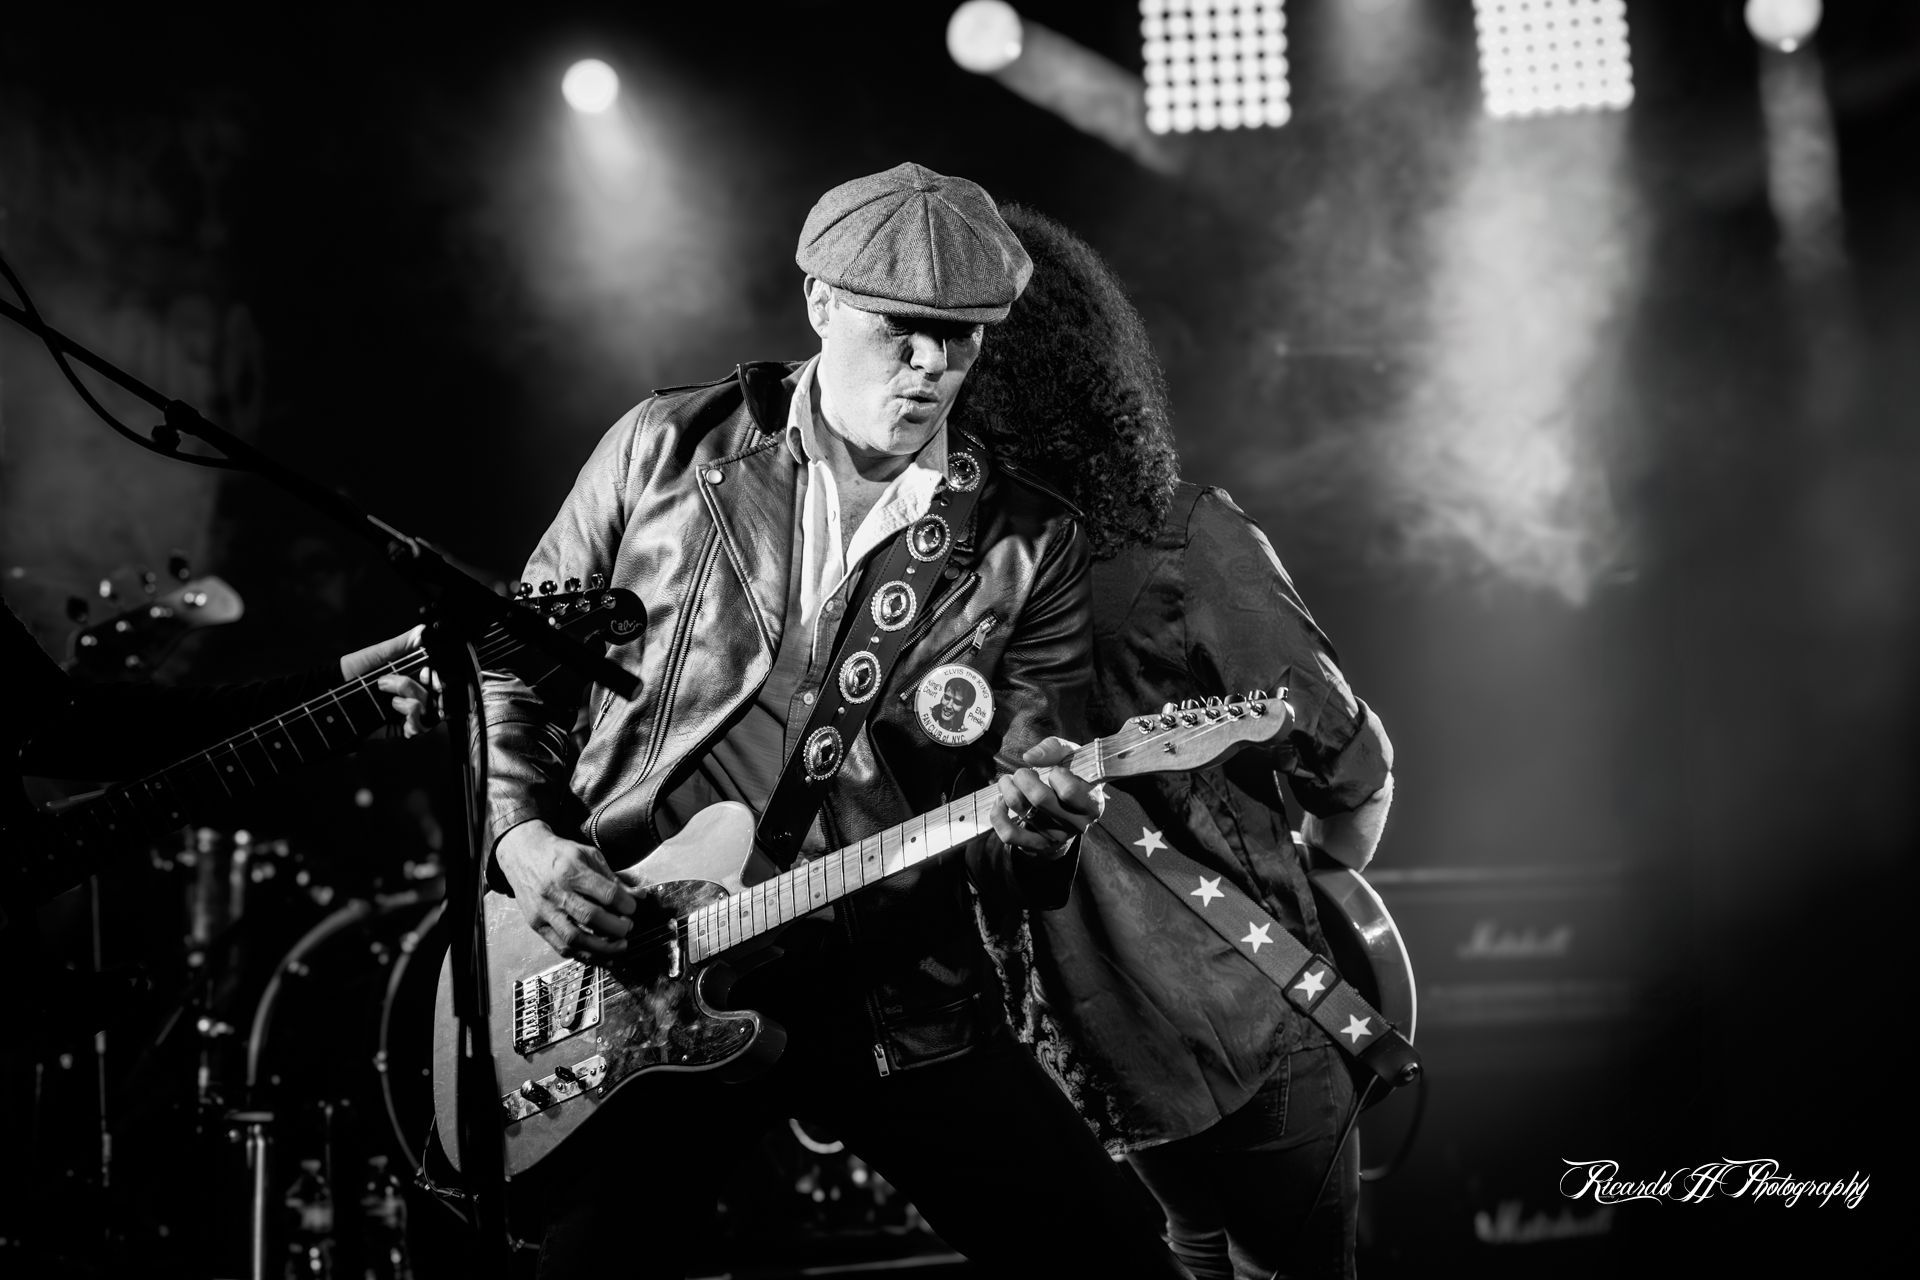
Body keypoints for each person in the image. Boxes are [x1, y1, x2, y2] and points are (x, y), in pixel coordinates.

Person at [480, 162, 1187, 1278]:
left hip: (886, 987)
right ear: (819, 303)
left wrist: (1044, 831)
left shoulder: (1025, 540)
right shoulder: (664, 448)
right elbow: (509, 671)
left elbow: (1017, 819)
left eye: (964, 338)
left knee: (1111, 1259)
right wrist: (524, 842)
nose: (932, 367)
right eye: (902, 329)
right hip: (643, 965)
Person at [958, 205, 1396, 1280]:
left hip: (1082, 1063)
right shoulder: (1176, 533)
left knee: (1198, 1248)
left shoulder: (922, 593)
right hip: (1241, 1023)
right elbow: (1349, 761)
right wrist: (1321, 884)